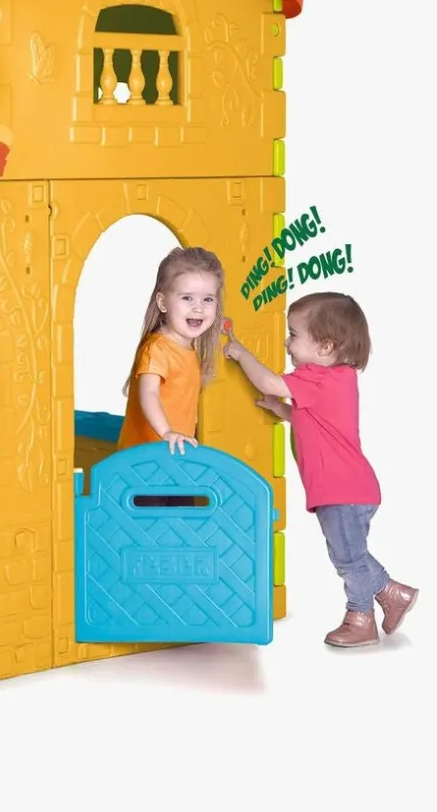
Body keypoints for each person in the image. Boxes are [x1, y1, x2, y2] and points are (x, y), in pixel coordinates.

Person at [223, 292, 418, 647]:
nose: (286, 342)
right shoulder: (336, 379)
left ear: (325, 346)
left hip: (341, 490)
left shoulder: (317, 378)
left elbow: (268, 381)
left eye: (294, 335)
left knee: (348, 558)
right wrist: (282, 411)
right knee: (349, 553)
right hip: (348, 489)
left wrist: (241, 353)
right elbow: (315, 421)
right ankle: (392, 593)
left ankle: (361, 619)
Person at [116, 249, 224, 509]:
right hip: (143, 465)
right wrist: (167, 432)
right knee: (149, 526)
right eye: (187, 298)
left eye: (208, 299)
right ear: (163, 303)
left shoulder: (190, 351)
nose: (198, 307)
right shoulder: (157, 348)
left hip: (174, 462)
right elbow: (149, 393)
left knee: (181, 523)